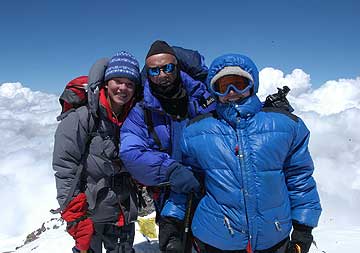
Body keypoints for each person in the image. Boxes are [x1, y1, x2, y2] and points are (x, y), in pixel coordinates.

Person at [179, 53, 322, 253]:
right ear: (214, 90)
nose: (231, 92)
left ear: (252, 85)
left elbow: (299, 178)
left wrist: (303, 228)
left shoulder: (287, 126)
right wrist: (173, 220)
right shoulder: (195, 132)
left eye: (239, 83)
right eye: (223, 86)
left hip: (273, 236)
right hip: (215, 239)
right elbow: (186, 184)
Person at [119, 40, 216, 252]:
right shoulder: (141, 110)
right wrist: (170, 170)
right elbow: (131, 151)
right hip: (172, 193)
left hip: (215, 187)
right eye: (154, 71)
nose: (162, 75)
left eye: (167, 67)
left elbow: (236, 107)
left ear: (177, 66)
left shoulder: (205, 96)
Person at [53, 51, 141, 253]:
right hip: (90, 213)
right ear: (106, 83)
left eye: (129, 83)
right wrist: (76, 217)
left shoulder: (135, 117)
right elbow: (65, 166)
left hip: (123, 210)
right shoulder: (81, 118)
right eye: (117, 81)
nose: (123, 88)